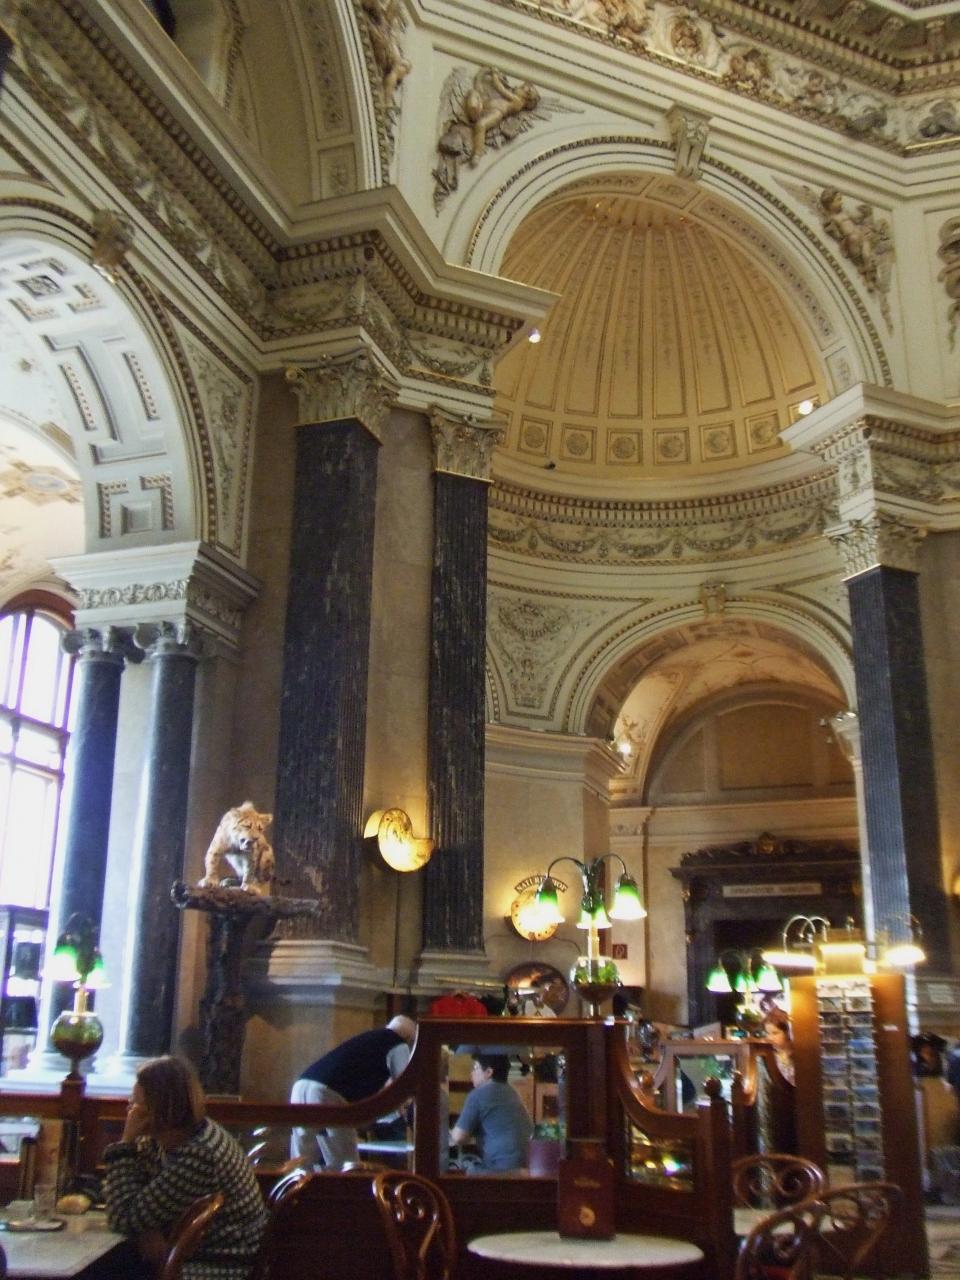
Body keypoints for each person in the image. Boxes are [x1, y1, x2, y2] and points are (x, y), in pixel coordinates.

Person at [103, 1056, 267, 1280]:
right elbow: (140, 1199)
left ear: (159, 1109)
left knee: (106, 1268)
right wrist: (148, 1229)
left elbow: (123, 1218)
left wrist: (126, 1142)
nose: (129, 1110)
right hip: (194, 1254)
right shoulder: (173, 1139)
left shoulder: (199, 1153)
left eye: (136, 1104)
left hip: (219, 1266)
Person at [289, 1014, 416, 1170]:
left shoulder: (370, 1038)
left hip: (301, 1085)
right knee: (346, 1164)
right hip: (328, 1093)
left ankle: (297, 1185)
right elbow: (404, 1083)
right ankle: (341, 1186)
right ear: (408, 1037)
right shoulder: (397, 1043)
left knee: (302, 1159)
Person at [449, 1051, 533, 1173]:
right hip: (526, 1168)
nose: (471, 1073)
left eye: (475, 1068)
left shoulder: (478, 1094)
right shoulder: (512, 1092)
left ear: (488, 1072)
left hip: (500, 1170)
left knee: (463, 1169)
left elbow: (458, 1138)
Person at [763, 1011, 795, 1085]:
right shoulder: (768, 1056)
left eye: (775, 1033)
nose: (770, 1038)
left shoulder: (800, 1053)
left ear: (787, 1033)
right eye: (767, 1033)